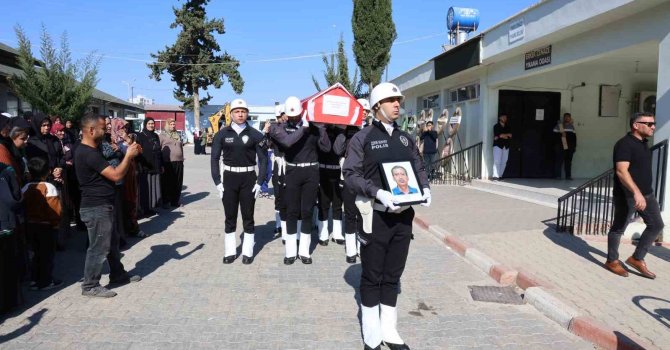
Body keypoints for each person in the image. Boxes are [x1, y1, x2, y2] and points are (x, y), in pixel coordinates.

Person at [343, 82, 430, 350]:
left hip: (403, 218)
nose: (397, 105)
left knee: (393, 275)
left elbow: (418, 166)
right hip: (375, 217)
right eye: (391, 100)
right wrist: (377, 192)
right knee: (372, 276)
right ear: (377, 106)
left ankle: (390, 330)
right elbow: (351, 175)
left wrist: (425, 188)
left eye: (398, 100)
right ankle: (372, 333)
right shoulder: (363, 138)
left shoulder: (406, 138)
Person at [75, 112, 142, 298]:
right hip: (96, 207)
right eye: (103, 129)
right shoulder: (88, 153)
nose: (106, 132)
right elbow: (116, 175)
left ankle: (118, 274)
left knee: (111, 242)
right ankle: (90, 285)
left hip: (104, 204)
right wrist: (128, 156)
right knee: (99, 247)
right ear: (90, 130)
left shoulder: (92, 150)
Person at [269, 96, 331, 265]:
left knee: (307, 211)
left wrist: (321, 128)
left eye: (297, 114)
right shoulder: (279, 128)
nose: (294, 118)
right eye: (291, 115)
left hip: (311, 171)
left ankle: (304, 251)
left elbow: (326, 147)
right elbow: (287, 143)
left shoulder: (311, 127)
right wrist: (303, 128)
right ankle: (290, 251)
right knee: (292, 211)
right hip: (292, 171)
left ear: (302, 112)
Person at [604, 112, 663, 279]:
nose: (653, 126)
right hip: (627, 195)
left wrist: (643, 194)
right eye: (649, 124)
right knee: (618, 228)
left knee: (656, 225)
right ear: (636, 125)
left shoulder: (643, 143)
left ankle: (636, 258)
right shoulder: (624, 144)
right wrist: (636, 193)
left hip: (647, 194)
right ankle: (612, 261)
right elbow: (621, 171)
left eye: (654, 123)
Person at [211, 99, 267, 265]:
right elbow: (214, 158)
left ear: (247, 113)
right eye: (237, 111)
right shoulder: (221, 134)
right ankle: (230, 251)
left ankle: (247, 252)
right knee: (230, 217)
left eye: (243, 111)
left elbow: (263, 160)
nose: (240, 114)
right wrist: (217, 181)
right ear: (231, 114)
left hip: (248, 179)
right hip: (229, 179)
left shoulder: (256, 134)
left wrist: (259, 182)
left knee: (248, 216)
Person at [22, 157, 62, 291]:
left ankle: (34, 280)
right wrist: (56, 224)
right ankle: (46, 281)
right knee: (47, 255)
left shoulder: (25, 188)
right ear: (48, 172)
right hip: (46, 226)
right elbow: (55, 209)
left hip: (30, 225)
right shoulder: (49, 187)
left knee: (35, 254)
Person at [316, 125, 345, 246]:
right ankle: (323, 232)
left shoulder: (342, 130)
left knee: (338, 204)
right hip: (323, 170)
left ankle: (337, 233)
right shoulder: (321, 130)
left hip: (338, 171)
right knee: (323, 203)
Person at [265, 105, 289, 241]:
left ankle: (286, 225)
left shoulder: (291, 127)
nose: (287, 117)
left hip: (289, 164)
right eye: (284, 115)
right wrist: (266, 132)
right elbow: (267, 144)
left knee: (288, 195)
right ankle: (279, 224)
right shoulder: (274, 128)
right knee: (278, 195)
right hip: (278, 163)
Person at [136, 117, 163, 217]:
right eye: (149, 124)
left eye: (152, 123)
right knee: (145, 189)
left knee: (153, 188)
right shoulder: (141, 136)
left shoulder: (155, 136)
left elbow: (159, 151)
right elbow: (138, 152)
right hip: (145, 167)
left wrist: (161, 165)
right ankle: (144, 209)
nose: (151, 125)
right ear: (145, 124)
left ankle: (150, 208)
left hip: (155, 165)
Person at [159, 119, 185, 208]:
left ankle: (175, 201)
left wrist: (182, 157)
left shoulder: (177, 134)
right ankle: (166, 201)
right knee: (167, 182)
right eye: (171, 124)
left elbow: (180, 147)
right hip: (168, 162)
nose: (173, 125)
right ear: (167, 124)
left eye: (174, 124)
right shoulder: (162, 135)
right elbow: (158, 148)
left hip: (179, 162)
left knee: (178, 182)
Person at [553, 113, 577, 180]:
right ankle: (558, 176)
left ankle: (568, 176)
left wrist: (574, 147)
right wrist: (561, 135)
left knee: (568, 162)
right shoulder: (559, 125)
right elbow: (554, 135)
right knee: (559, 161)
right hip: (561, 147)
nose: (567, 118)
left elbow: (574, 137)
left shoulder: (572, 127)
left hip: (570, 147)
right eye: (565, 117)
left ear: (570, 118)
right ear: (564, 118)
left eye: (568, 117)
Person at [492, 114, 512, 180]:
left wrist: (502, 136)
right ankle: (495, 176)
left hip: (505, 146)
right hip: (498, 145)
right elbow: (499, 135)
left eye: (505, 117)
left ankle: (500, 175)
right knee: (497, 161)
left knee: (504, 161)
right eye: (503, 117)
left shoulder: (508, 127)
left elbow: (510, 135)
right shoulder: (496, 126)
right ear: (500, 118)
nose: (505, 118)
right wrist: (504, 135)